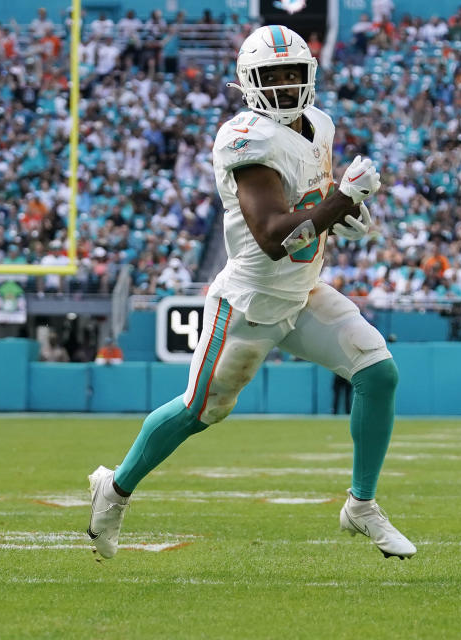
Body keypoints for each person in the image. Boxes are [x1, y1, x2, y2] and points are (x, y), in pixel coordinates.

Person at [86, 25, 414, 561]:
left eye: (294, 74)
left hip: (303, 293)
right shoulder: (245, 137)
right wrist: (338, 204)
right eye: (273, 76)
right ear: (249, 82)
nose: (285, 86)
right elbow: (274, 236)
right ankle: (116, 488)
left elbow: (315, 198)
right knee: (201, 410)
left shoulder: (320, 125)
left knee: (378, 372)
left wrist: (346, 210)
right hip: (250, 300)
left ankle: (361, 505)